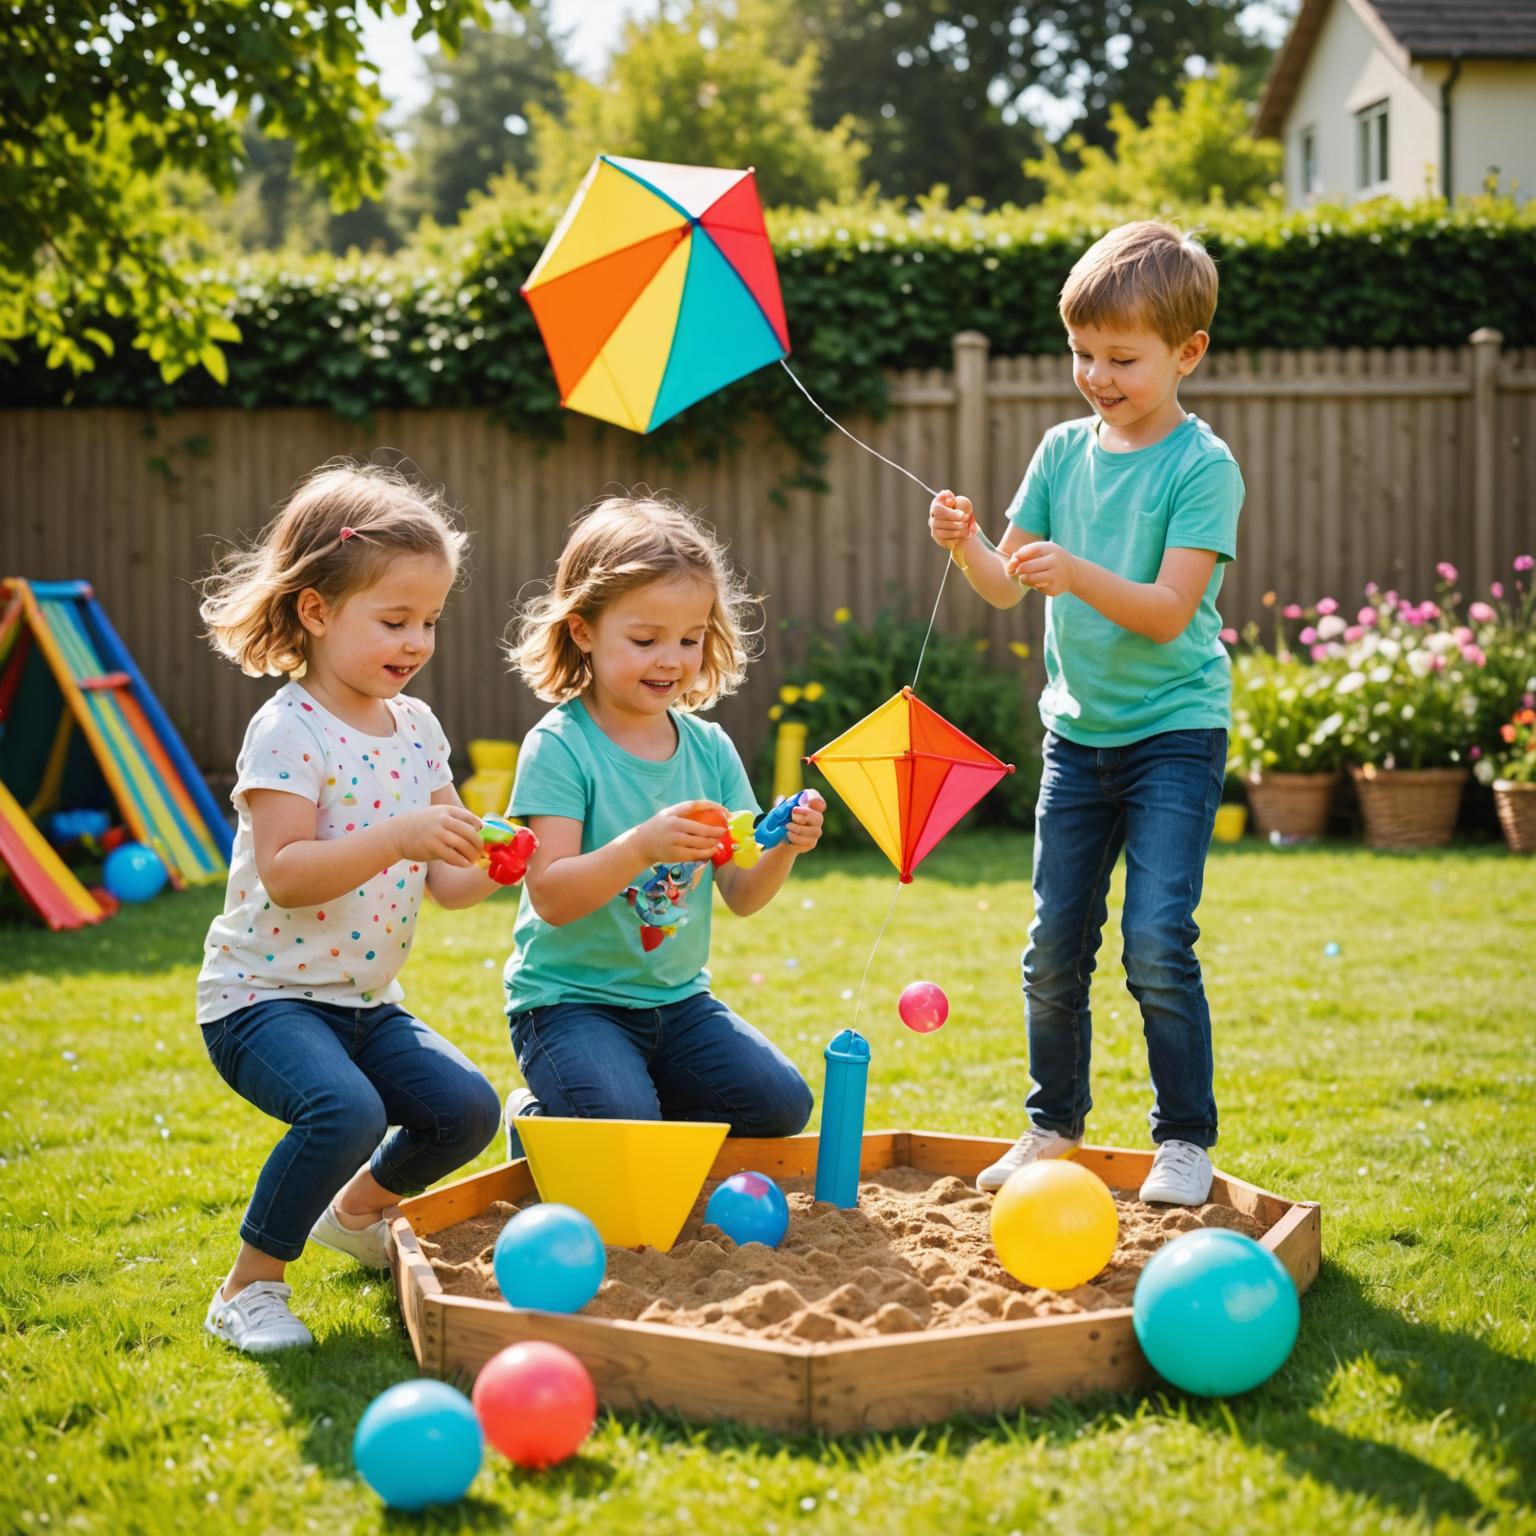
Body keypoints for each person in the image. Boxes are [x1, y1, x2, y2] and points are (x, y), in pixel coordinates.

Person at [928, 221, 1244, 1205]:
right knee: (1051, 946)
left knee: (1156, 941)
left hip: (1173, 740)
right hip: (1076, 740)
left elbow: (1165, 612)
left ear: (1187, 353)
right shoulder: (1063, 452)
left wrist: (1074, 571)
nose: (1096, 375)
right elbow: (1005, 587)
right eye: (1082, 353)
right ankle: (1051, 1127)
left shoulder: (1203, 468)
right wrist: (968, 544)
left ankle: (1183, 1141)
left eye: (1121, 358)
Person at [195, 461, 512, 1352]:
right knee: (345, 1111)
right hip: (261, 1000)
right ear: (317, 610)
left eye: (430, 621)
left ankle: (357, 1213)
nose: (416, 641)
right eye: (394, 619)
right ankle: (248, 1286)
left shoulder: (418, 728)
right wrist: (402, 838)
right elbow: (289, 872)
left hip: (365, 1004)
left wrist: (501, 859)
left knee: (466, 1109)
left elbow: (448, 882)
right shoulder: (287, 729)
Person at [499, 494, 820, 1154]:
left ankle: (625, 1111)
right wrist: (642, 845)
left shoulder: (710, 750)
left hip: (676, 1005)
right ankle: (535, 1118)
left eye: (690, 639)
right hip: (569, 1004)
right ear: (583, 630)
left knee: (781, 1104)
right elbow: (552, 897)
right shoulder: (561, 746)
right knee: (625, 1125)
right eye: (645, 640)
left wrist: (783, 848)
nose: (671, 659)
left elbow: (742, 893)